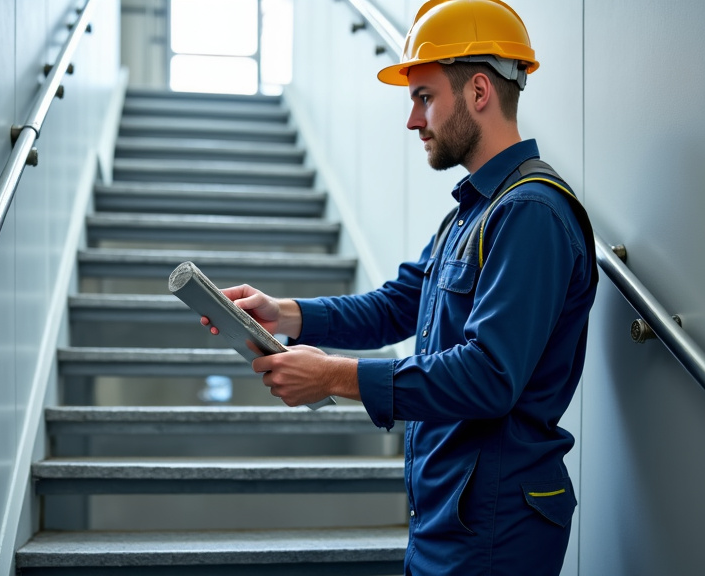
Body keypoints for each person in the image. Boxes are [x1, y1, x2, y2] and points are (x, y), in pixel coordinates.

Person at [203, 0, 597, 573]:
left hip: (495, 524)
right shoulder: (472, 215)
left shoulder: (531, 214)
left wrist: (333, 377)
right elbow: (396, 306)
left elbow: (489, 377)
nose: (414, 120)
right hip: (447, 512)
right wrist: (283, 315)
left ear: (479, 92)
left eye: (425, 97)